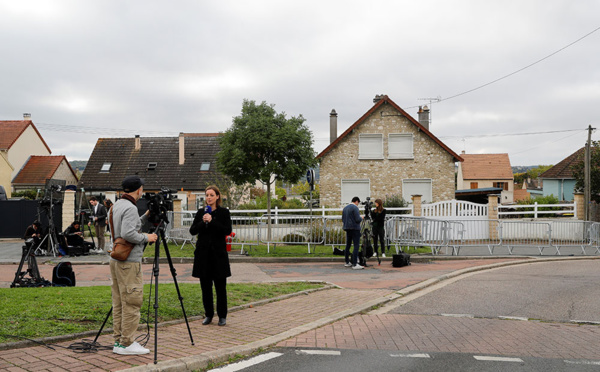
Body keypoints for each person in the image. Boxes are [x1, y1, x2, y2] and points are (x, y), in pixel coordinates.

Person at [109, 175, 157, 355]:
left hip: (116, 259)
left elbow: (125, 227)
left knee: (120, 302)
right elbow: (129, 233)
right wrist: (148, 237)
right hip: (128, 262)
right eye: (142, 188)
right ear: (138, 189)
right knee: (132, 302)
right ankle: (127, 343)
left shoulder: (116, 205)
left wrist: (145, 217)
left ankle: (119, 340)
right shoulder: (130, 207)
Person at [189, 185, 232, 327]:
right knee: (205, 287)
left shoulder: (224, 213)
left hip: (218, 255)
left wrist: (212, 221)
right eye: (207, 195)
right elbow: (193, 231)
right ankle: (208, 314)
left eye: (212, 195)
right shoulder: (201, 212)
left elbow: (227, 230)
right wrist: (203, 221)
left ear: (217, 197)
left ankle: (222, 316)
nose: (209, 198)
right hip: (203, 255)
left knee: (220, 287)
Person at [342, 196, 363, 270]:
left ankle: (347, 262)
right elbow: (357, 219)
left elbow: (343, 218)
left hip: (347, 228)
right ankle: (355, 263)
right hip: (355, 228)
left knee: (348, 245)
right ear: (356, 201)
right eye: (358, 203)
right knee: (356, 245)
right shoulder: (355, 208)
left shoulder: (345, 208)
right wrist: (362, 218)